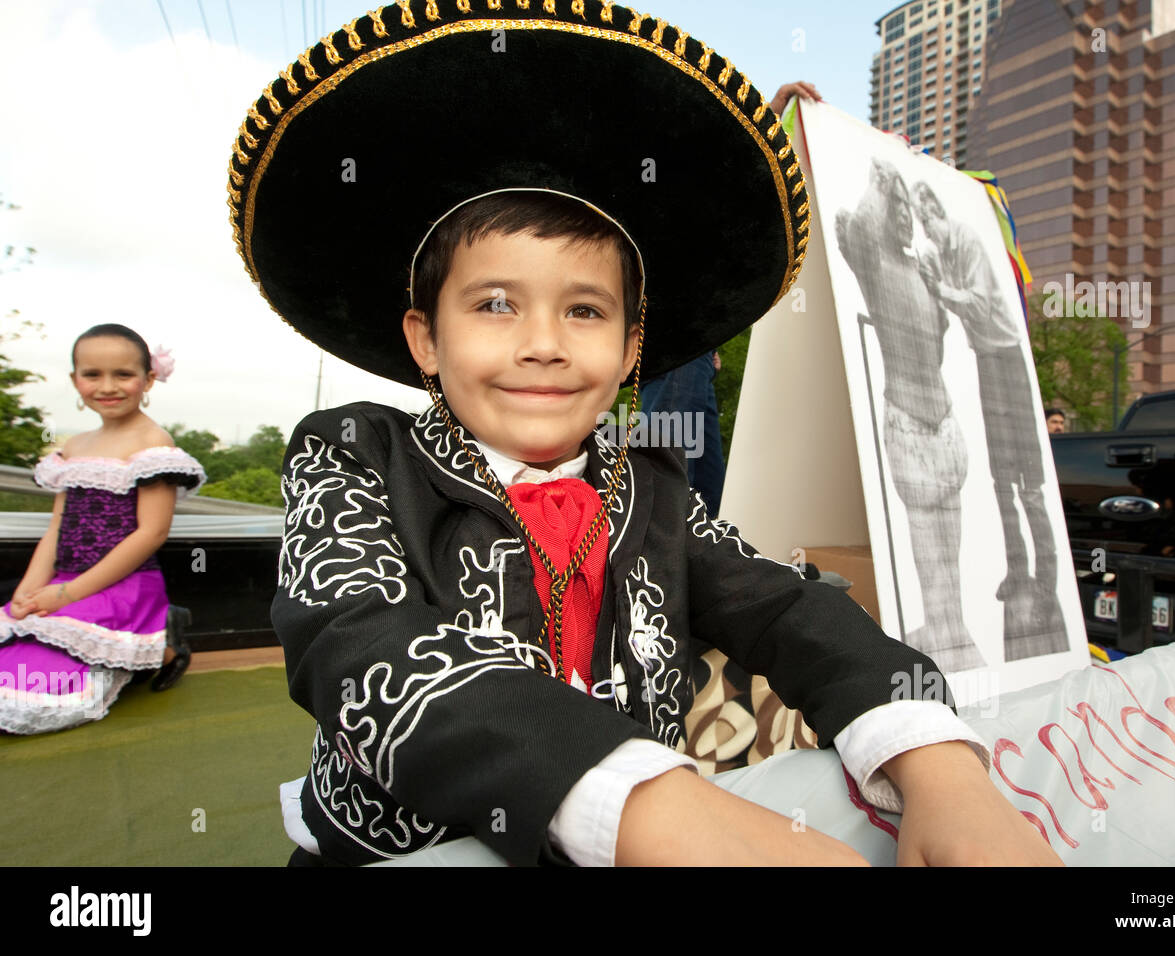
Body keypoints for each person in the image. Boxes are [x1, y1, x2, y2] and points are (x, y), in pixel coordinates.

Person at [233, 1, 1059, 866]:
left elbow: (789, 608)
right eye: (494, 305)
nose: (543, 343)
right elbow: (356, 640)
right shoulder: (353, 456)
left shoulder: (653, 490)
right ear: (425, 339)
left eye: (584, 310)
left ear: (632, 349)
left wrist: (935, 765)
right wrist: (650, 805)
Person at [0, 325, 205, 734]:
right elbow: (57, 526)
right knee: (18, 633)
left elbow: (150, 533)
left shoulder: (153, 444)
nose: (107, 386)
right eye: (92, 374)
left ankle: (165, 645)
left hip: (123, 584)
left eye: (123, 375)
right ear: (75, 379)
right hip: (65, 580)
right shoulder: (74, 447)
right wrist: (29, 589)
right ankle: (156, 640)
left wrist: (67, 594)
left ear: (148, 380)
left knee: (34, 685)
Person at [639, 80, 823, 519]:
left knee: (703, 487)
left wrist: (710, 342)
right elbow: (729, 162)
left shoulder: (692, 201)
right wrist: (771, 111)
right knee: (670, 473)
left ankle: (702, 578)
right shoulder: (661, 181)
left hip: (693, 352)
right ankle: (649, 571)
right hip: (674, 348)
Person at [835, 158, 983, 673]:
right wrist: (882, 168)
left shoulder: (919, 267)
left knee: (950, 550)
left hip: (943, 427)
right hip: (913, 429)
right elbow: (862, 221)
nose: (902, 214)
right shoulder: (871, 254)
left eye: (905, 205)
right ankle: (943, 636)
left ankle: (951, 629)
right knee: (929, 549)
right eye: (895, 203)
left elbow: (940, 342)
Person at [911, 180, 1067, 656]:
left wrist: (941, 286)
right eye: (921, 223)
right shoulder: (938, 248)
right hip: (984, 358)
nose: (927, 231)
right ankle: (1017, 570)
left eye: (926, 219)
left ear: (937, 213)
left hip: (1008, 357)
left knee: (1030, 483)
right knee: (1001, 477)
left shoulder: (967, 239)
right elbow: (937, 294)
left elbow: (974, 301)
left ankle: (1046, 580)